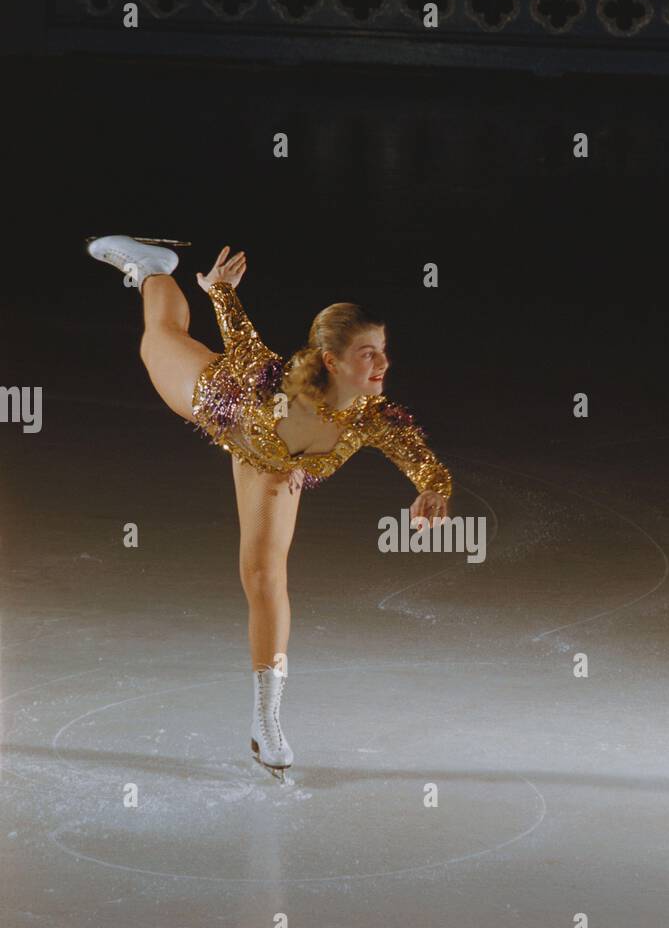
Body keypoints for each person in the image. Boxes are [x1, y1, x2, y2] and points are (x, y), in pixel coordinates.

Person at [86, 235, 452, 779]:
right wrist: (221, 295)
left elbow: (421, 458)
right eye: (367, 353)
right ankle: (152, 268)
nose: (382, 362)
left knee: (263, 578)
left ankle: (266, 721)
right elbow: (242, 345)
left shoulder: (375, 414)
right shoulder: (279, 386)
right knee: (160, 337)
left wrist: (432, 491)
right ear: (332, 360)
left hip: (275, 467)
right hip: (217, 400)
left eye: (383, 349)